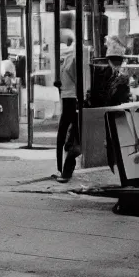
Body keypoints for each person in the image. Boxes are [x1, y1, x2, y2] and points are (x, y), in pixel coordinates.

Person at [55, 29, 80, 181]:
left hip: (72, 98)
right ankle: (63, 169)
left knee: (68, 134)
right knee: (67, 133)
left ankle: (65, 170)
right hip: (69, 97)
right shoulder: (67, 59)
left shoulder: (71, 59)